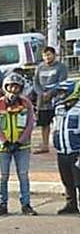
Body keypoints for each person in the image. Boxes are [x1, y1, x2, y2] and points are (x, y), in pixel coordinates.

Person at [0, 73, 37, 216]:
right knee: (3, 176)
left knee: (23, 175)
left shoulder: (26, 104)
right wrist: (4, 142)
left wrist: (19, 142)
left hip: (22, 147)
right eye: (10, 86)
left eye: (17, 87)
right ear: (5, 87)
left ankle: (26, 204)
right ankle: (2, 204)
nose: (13, 90)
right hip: (2, 147)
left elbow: (30, 124)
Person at [33, 46, 68, 154]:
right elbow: (36, 83)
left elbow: (62, 82)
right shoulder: (40, 67)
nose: (47, 57)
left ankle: (61, 143)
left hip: (57, 99)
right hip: (42, 100)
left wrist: (51, 93)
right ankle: (45, 145)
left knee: (59, 122)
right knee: (44, 124)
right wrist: (41, 93)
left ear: (54, 55)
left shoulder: (61, 67)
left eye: (49, 54)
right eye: (44, 55)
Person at [52, 81, 80, 215]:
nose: (60, 95)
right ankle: (71, 204)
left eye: (62, 92)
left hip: (76, 151)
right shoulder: (59, 109)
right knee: (67, 180)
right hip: (62, 151)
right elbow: (56, 128)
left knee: (78, 180)